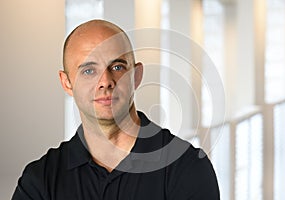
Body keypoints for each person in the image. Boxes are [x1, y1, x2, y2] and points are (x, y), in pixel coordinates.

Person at [12, 19, 220, 200]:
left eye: (118, 67)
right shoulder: (40, 179)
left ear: (136, 76)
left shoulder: (187, 167)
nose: (105, 81)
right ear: (67, 83)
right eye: (88, 70)